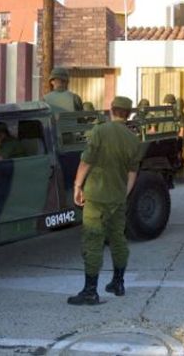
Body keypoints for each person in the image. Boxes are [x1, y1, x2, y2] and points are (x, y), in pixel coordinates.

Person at [68, 96, 140, 305]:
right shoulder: (133, 139)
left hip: (97, 196)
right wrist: (123, 193)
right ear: (129, 114)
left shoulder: (100, 131)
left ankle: (90, 291)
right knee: (118, 239)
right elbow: (132, 172)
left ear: (111, 110)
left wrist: (77, 186)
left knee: (93, 240)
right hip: (117, 198)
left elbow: (86, 161)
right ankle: (118, 283)